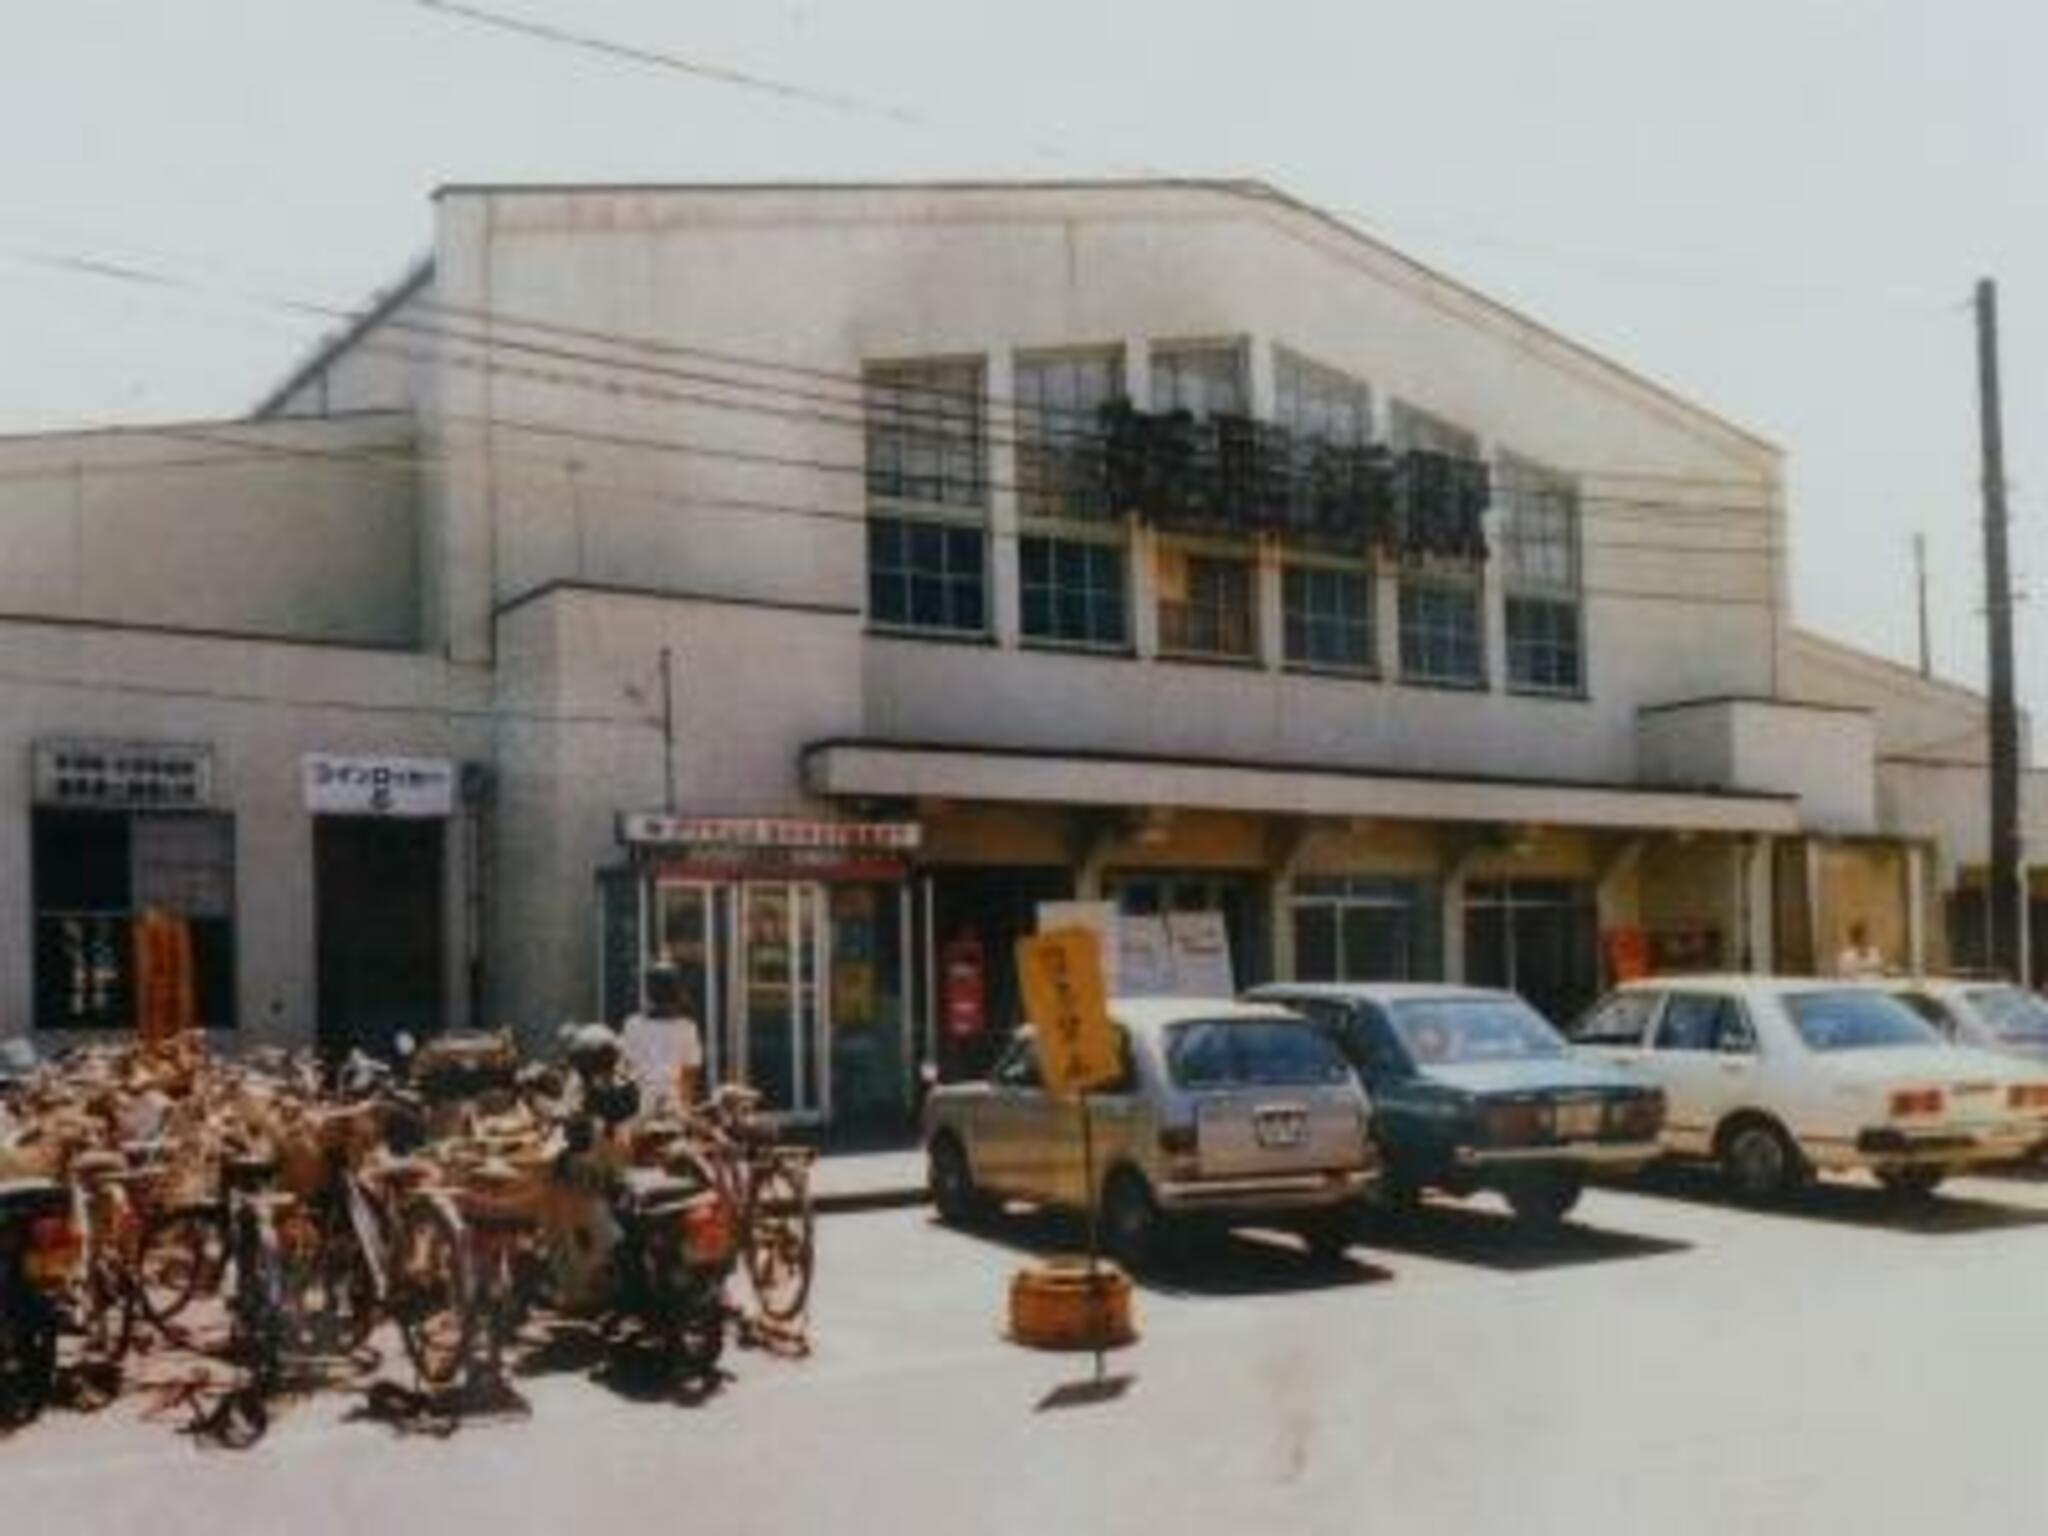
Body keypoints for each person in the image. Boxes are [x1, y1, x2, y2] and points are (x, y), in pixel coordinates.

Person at [618, 961, 704, 1112]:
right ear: (677, 993)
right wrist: (685, 1107)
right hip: (670, 1105)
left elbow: (624, 1067)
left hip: (640, 1105)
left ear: (648, 993)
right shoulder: (687, 1027)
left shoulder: (632, 1024)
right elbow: (690, 1073)